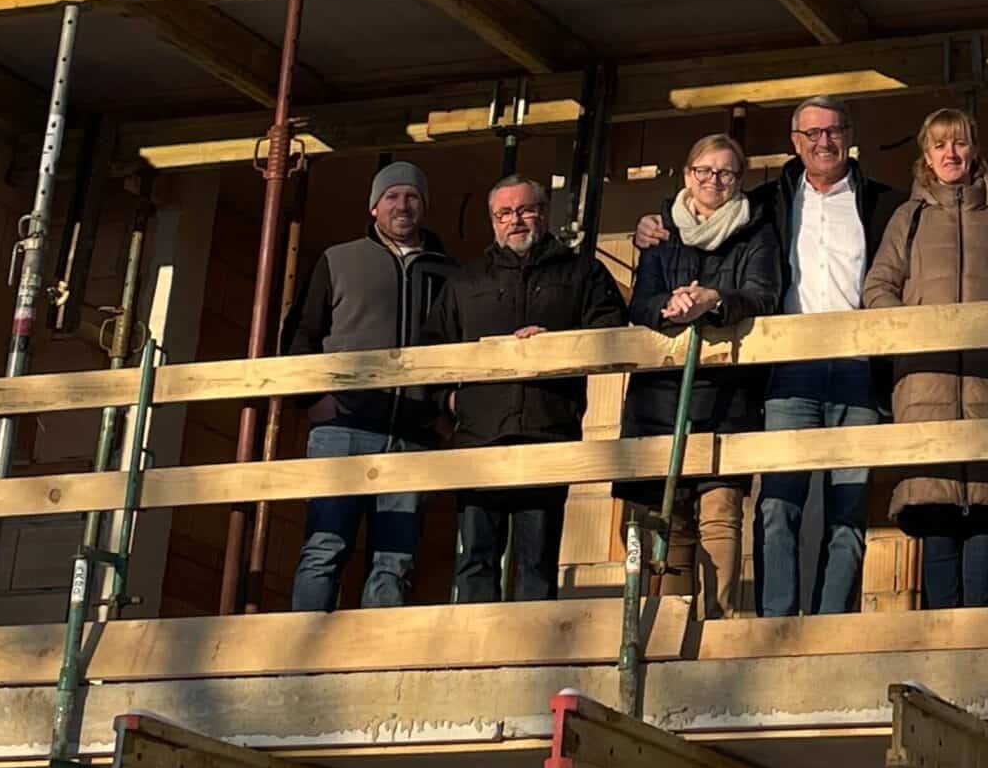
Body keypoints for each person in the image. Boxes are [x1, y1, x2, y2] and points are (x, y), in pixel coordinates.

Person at [634, 95, 904, 616]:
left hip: (858, 368)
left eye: (834, 131)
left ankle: (832, 626)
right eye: (812, 133)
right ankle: (775, 621)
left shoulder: (883, 204)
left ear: (849, 137)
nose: (824, 142)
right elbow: (706, 213)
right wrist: (654, 223)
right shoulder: (766, 205)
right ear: (795, 142)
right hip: (789, 369)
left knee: (848, 510)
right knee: (778, 504)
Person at [426, 173, 627, 602]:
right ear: (492, 221)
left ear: (544, 213)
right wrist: (449, 400)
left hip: (547, 431)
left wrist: (558, 343)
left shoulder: (581, 272)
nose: (514, 220)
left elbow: (611, 329)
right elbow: (431, 350)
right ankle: (476, 642)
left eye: (524, 210)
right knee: (476, 558)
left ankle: (534, 645)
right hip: (480, 438)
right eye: (504, 213)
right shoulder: (465, 281)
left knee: (537, 560)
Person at [862, 108, 988, 608]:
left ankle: (980, 641)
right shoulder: (908, 218)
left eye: (959, 143)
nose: (950, 154)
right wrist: (914, 330)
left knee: (985, 519)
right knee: (934, 516)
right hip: (925, 386)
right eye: (939, 145)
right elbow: (877, 288)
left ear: (974, 149)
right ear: (926, 155)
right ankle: (939, 643)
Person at [618, 133, 782, 618]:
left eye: (726, 172)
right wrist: (668, 305)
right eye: (704, 170)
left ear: (740, 180)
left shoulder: (756, 233)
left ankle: (718, 622)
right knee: (668, 520)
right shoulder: (660, 234)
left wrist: (715, 300)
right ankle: (668, 627)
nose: (714, 180)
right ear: (688, 175)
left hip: (727, 396)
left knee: (720, 512)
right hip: (660, 398)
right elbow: (640, 302)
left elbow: (763, 294)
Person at [280, 160, 454, 611]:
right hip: (344, 427)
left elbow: (460, 348)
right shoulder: (339, 260)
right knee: (325, 546)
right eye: (392, 196)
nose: (402, 205)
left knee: (394, 560)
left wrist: (442, 412)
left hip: (413, 433)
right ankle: (305, 644)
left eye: (412, 196)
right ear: (374, 206)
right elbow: (300, 336)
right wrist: (313, 400)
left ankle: (376, 653)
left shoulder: (448, 273)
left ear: (424, 206)